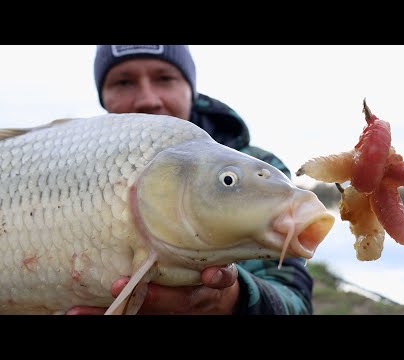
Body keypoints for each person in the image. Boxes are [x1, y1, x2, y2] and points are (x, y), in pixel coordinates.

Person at [67, 45, 313, 315]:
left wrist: (230, 300)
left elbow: (296, 303)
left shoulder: (257, 169)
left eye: (164, 78)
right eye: (124, 82)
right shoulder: (72, 163)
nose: (148, 99)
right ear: (104, 96)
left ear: (190, 88)